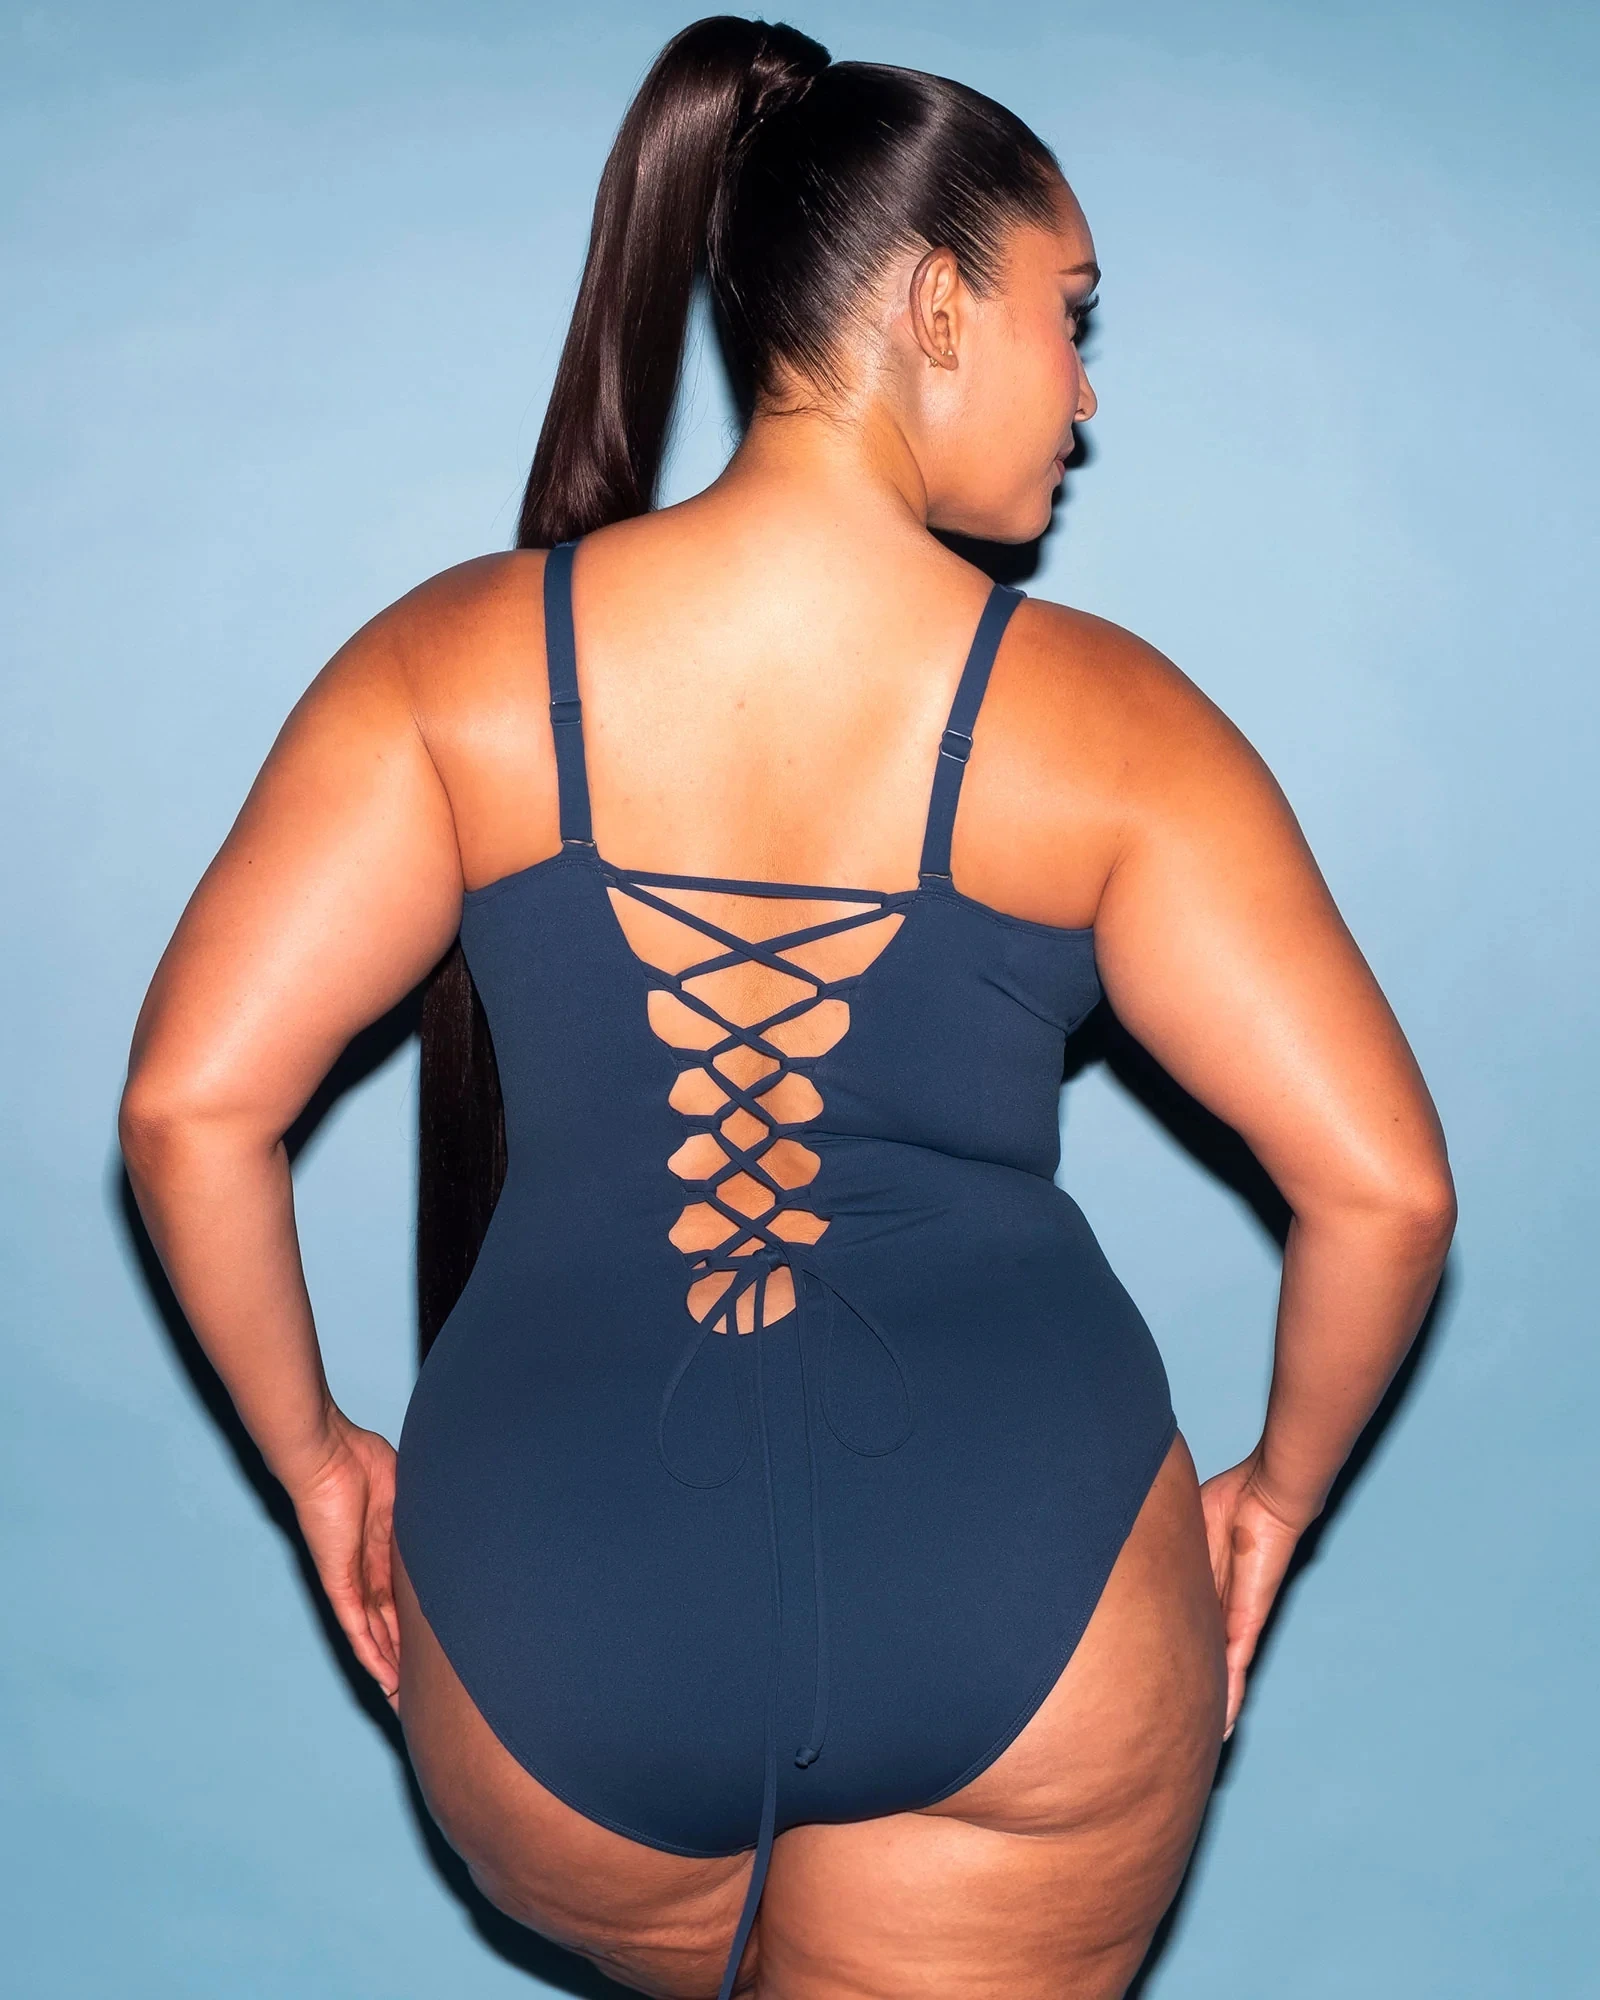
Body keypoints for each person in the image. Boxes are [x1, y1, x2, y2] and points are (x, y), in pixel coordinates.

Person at [119, 16, 1456, 1999]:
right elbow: (1388, 1192)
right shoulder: (1114, 724)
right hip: (1026, 1596)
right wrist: (1272, 1497)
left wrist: (317, 1459)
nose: (1085, 390)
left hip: (549, 1624)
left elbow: (185, 1109)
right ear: (940, 302)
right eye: (1071, 313)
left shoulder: (452, 665)